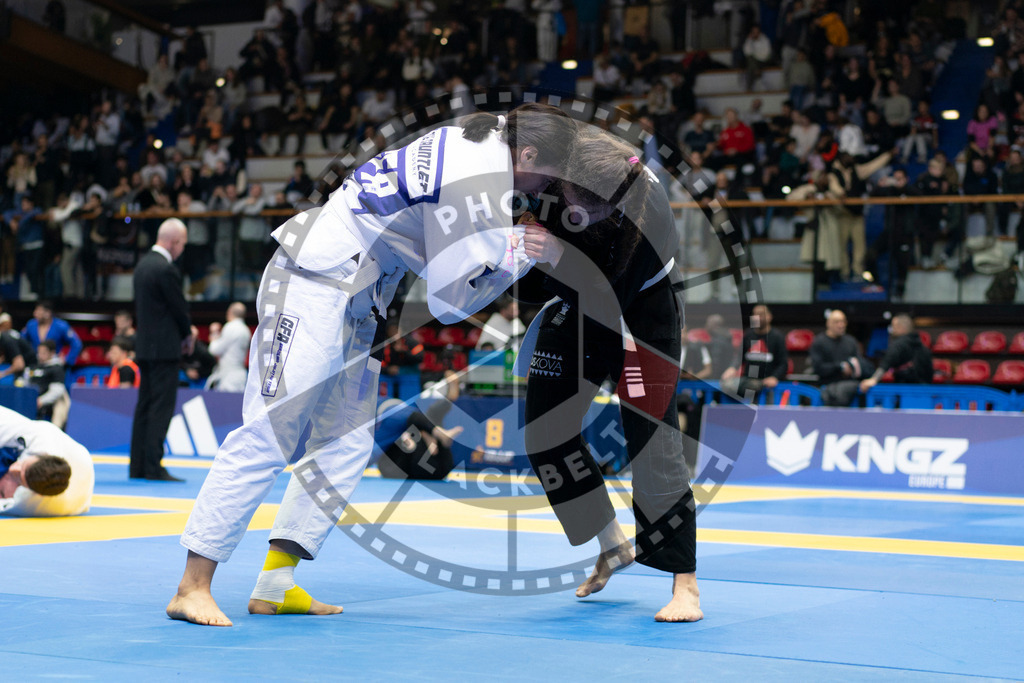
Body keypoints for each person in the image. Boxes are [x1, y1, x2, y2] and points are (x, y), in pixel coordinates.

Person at [167, 103, 577, 627]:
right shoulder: (479, 182)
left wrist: (503, 245)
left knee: (345, 441)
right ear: (527, 154)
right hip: (315, 275)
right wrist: (517, 254)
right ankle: (191, 586)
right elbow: (451, 305)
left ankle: (274, 582)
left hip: (363, 291)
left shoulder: (480, 138)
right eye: (548, 173)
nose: (546, 187)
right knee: (273, 427)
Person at [514, 128, 700, 622]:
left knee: (652, 440)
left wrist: (558, 256)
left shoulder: (650, 213)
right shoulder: (555, 178)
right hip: (575, 306)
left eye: (587, 209)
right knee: (544, 433)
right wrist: (523, 256)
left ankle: (686, 585)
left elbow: (611, 298)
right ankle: (610, 542)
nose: (576, 213)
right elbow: (535, 285)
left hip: (640, 311)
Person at [129, 218, 193, 482]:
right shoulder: (165, 269)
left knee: (144, 405)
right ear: (174, 241)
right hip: (165, 349)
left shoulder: (142, 266)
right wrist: (188, 333)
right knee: (160, 407)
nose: (182, 250)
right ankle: (153, 466)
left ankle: (138, 466)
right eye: (182, 244)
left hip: (144, 347)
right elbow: (178, 308)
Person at [0, 405, 93, 517]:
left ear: (35, 493)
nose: (14, 468)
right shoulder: (42, 439)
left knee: (7, 485)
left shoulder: (28, 503)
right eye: (23, 465)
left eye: (19, 476)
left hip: (75, 497)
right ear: (42, 455)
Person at [375, 370, 463, 480]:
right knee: (420, 426)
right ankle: (437, 431)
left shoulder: (400, 423)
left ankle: (437, 429)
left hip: (436, 468)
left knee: (424, 422)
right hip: (411, 467)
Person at [722, 304, 788, 396]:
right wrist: (732, 368)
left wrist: (774, 377)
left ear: (769, 317)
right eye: (755, 314)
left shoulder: (777, 337)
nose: (758, 318)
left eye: (761, 314)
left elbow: (783, 364)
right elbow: (739, 357)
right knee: (727, 385)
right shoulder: (748, 335)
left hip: (767, 382)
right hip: (748, 381)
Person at [810, 309, 871, 406]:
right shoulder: (819, 342)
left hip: (850, 388)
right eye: (837, 322)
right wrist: (840, 367)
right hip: (827, 385)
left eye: (843, 321)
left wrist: (852, 368)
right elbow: (818, 368)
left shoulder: (851, 342)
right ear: (828, 323)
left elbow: (859, 363)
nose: (841, 325)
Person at [859, 314, 933, 391]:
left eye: (893, 326)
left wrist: (874, 379)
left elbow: (887, 362)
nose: (892, 329)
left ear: (901, 327)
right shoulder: (922, 345)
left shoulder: (898, 344)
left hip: (904, 390)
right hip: (924, 392)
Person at [23, 341, 70, 428]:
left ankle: (56, 431)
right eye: (39, 352)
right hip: (32, 398)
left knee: (61, 404)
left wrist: (41, 400)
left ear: (52, 353)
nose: (40, 355)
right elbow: (26, 384)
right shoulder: (33, 367)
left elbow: (57, 391)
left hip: (49, 401)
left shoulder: (56, 368)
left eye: (44, 353)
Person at [206, 302, 251, 393]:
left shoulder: (230, 327)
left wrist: (214, 335)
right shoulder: (246, 330)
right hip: (240, 375)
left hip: (228, 375)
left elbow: (215, 350)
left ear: (229, 312)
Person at [22, 301, 82, 367]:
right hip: (34, 363)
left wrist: (67, 360)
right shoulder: (31, 325)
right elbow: (21, 341)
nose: (35, 313)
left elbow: (76, 343)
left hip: (54, 364)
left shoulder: (61, 326)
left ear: (47, 313)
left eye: (39, 311)